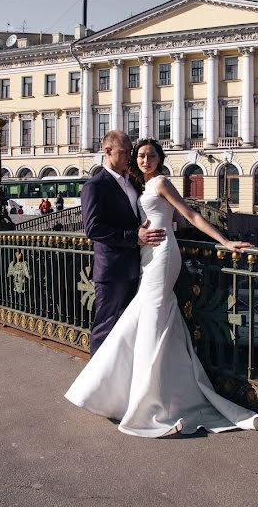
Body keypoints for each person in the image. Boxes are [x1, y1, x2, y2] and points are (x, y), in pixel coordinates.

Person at [66, 137, 258, 437]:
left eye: (150, 155)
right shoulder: (139, 186)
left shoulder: (162, 182)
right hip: (144, 257)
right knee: (145, 321)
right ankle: (122, 393)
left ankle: (151, 403)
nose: (143, 160)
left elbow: (190, 215)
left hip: (163, 255)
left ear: (160, 158)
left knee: (151, 322)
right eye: (138, 155)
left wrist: (225, 241)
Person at [78, 130, 165, 355]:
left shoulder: (133, 183)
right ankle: (95, 383)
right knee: (105, 327)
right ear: (108, 152)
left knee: (126, 328)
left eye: (130, 152)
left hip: (137, 266)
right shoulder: (95, 186)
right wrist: (133, 237)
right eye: (124, 152)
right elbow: (93, 229)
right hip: (112, 270)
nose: (129, 156)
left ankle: (117, 379)